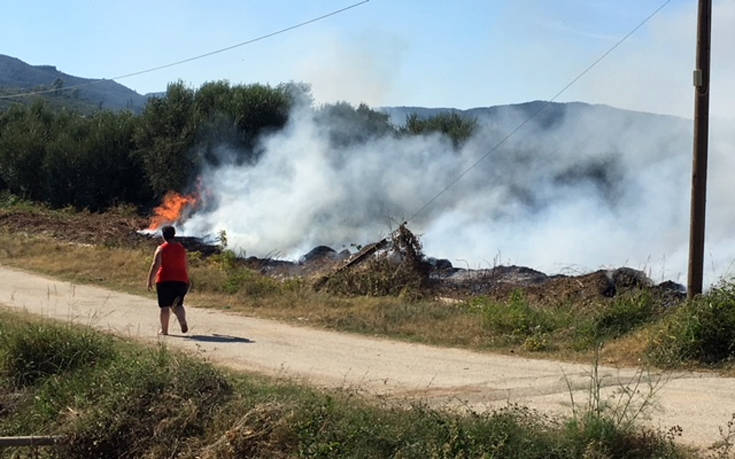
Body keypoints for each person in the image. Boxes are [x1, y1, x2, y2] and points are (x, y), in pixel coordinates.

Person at [147, 225, 189, 335]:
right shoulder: (181, 248)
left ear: (163, 236)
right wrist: (187, 279)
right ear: (174, 234)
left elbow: (155, 265)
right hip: (181, 280)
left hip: (164, 280)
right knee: (178, 305)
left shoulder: (161, 248)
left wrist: (150, 280)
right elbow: (186, 265)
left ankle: (164, 330)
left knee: (165, 306)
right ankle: (182, 321)